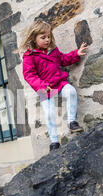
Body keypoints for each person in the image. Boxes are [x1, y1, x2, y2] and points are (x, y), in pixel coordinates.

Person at [21, 19, 88, 151]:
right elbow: (29, 75)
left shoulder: (53, 50)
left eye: (49, 36)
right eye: (43, 37)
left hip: (58, 83)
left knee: (71, 92)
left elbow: (63, 59)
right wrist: (41, 85)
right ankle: (54, 142)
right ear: (34, 39)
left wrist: (76, 54)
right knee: (50, 113)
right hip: (45, 89)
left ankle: (71, 121)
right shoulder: (29, 56)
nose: (47, 40)